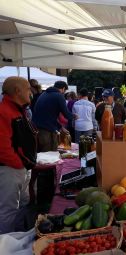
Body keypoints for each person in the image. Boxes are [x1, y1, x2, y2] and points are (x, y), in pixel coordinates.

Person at [0, 77, 37, 234]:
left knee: (23, 204)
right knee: (8, 211)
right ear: (17, 91)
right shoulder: (4, 111)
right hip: (10, 170)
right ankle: (6, 247)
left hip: (21, 168)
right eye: (28, 88)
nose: (31, 92)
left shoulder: (18, 109)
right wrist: (19, 164)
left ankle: (20, 237)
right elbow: (3, 148)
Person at [32, 81, 75, 152]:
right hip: (47, 130)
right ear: (63, 88)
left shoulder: (44, 94)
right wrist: (74, 116)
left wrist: (60, 127)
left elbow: (48, 115)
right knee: (49, 154)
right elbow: (66, 114)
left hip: (38, 128)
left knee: (43, 153)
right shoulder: (59, 96)